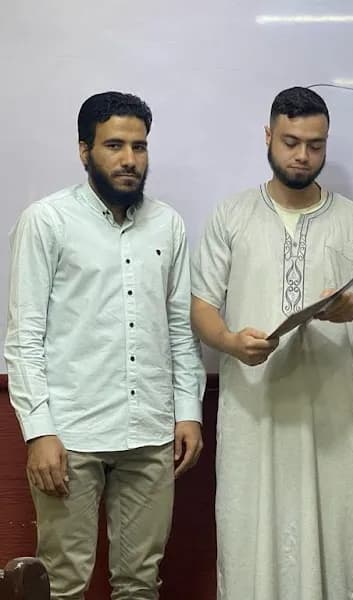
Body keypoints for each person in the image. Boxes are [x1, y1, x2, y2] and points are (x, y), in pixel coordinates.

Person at [190, 86, 353, 600]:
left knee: (334, 544)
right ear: (268, 137)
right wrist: (231, 343)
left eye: (315, 144)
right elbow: (200, 307)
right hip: (253, 416)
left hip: (334, 417)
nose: (303, 155)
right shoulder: (231, 215)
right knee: (249, 543)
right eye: (290, 141)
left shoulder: (352, 220)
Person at [4, 91, 205, 599]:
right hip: (71, 435)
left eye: (139, 147)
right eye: (114, 145)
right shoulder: (46, 221)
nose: (129, 160)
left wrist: (188, 413)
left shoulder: (169, 225)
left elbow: (179, 329)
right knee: (64, 583)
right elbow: (24, 337)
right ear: (83, 149)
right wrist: (39, 432)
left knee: (140, 583)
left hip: (151, 435)